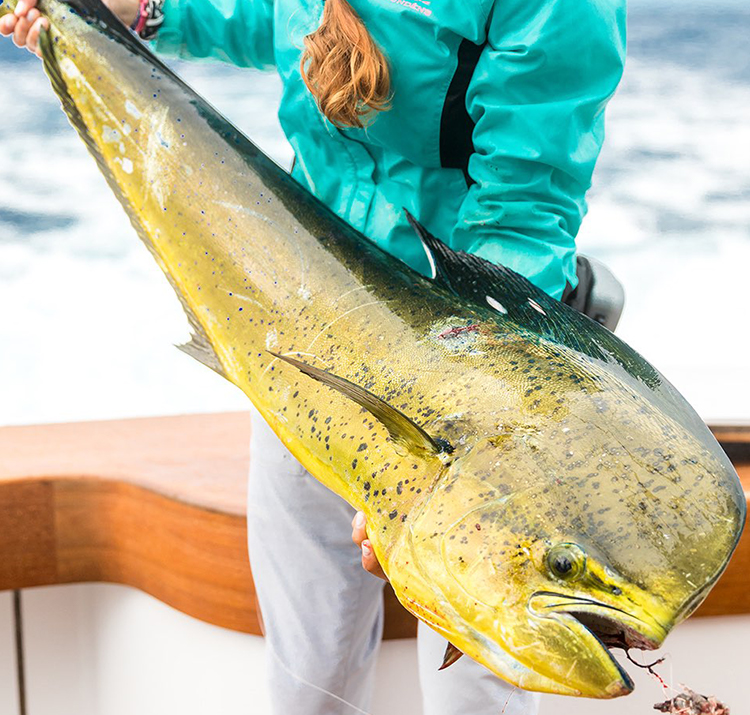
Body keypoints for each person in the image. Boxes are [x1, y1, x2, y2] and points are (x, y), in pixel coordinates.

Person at [2, 0, 626, 712]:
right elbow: (262, 17)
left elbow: (522, 211)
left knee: (474, 691)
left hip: (465, 369)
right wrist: (140, 11)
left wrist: (451, 467)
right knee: (308, 674)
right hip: (305, 326)